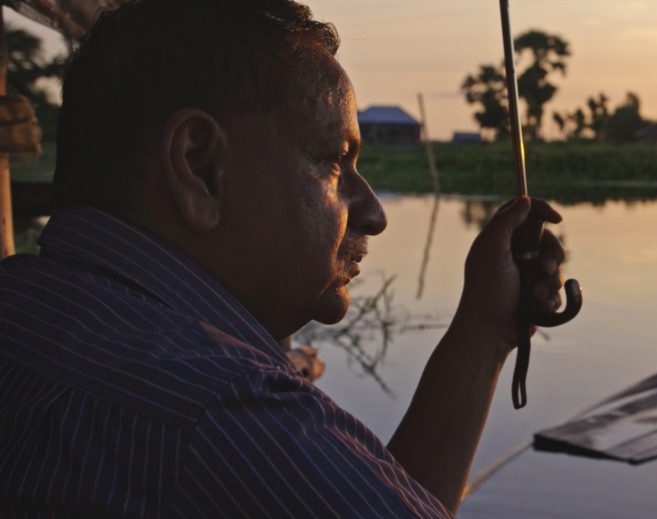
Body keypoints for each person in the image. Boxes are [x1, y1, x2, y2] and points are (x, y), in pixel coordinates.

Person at [0, 0, 569, 516]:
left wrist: (484, 332)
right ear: (200, 166)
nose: (373, 212)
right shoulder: (224, 415)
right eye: (336, 160)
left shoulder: (24, 308)